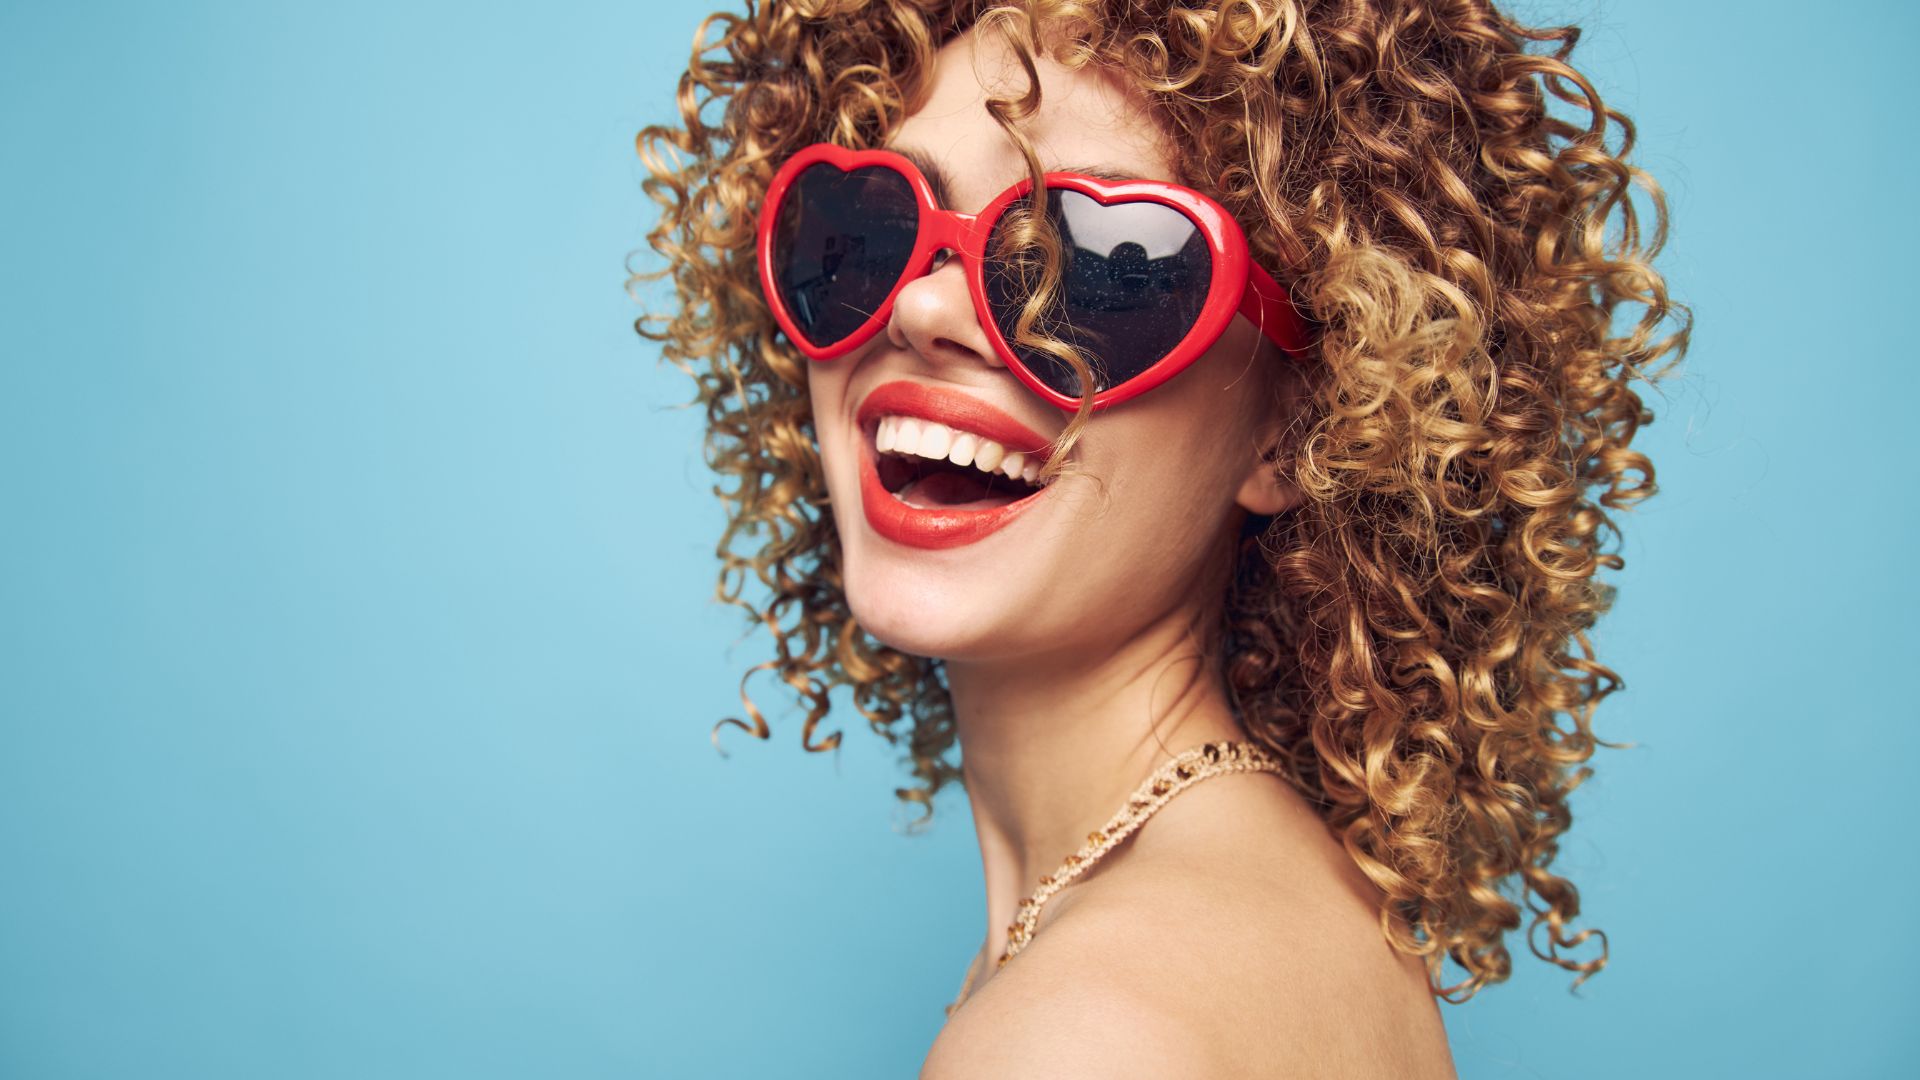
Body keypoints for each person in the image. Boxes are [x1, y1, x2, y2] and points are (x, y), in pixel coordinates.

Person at [633, 1, 1687, 1075]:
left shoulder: (1088, 1033)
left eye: (1095, 263)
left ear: (1298, 426)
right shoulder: (1274, 910)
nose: (925, 310)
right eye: (870, 228)